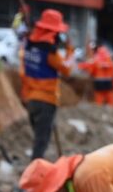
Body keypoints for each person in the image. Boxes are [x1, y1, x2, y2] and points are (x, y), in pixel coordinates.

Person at [18, 10, 74, 160]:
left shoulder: (28, 46)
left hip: (31, 100)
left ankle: (35, 171)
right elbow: (67, 69)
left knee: (38, 138)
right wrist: (70, 51)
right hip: (46, 101)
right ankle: (33, 176)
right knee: (41, 143)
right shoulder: (50, 52)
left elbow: (23, 72)